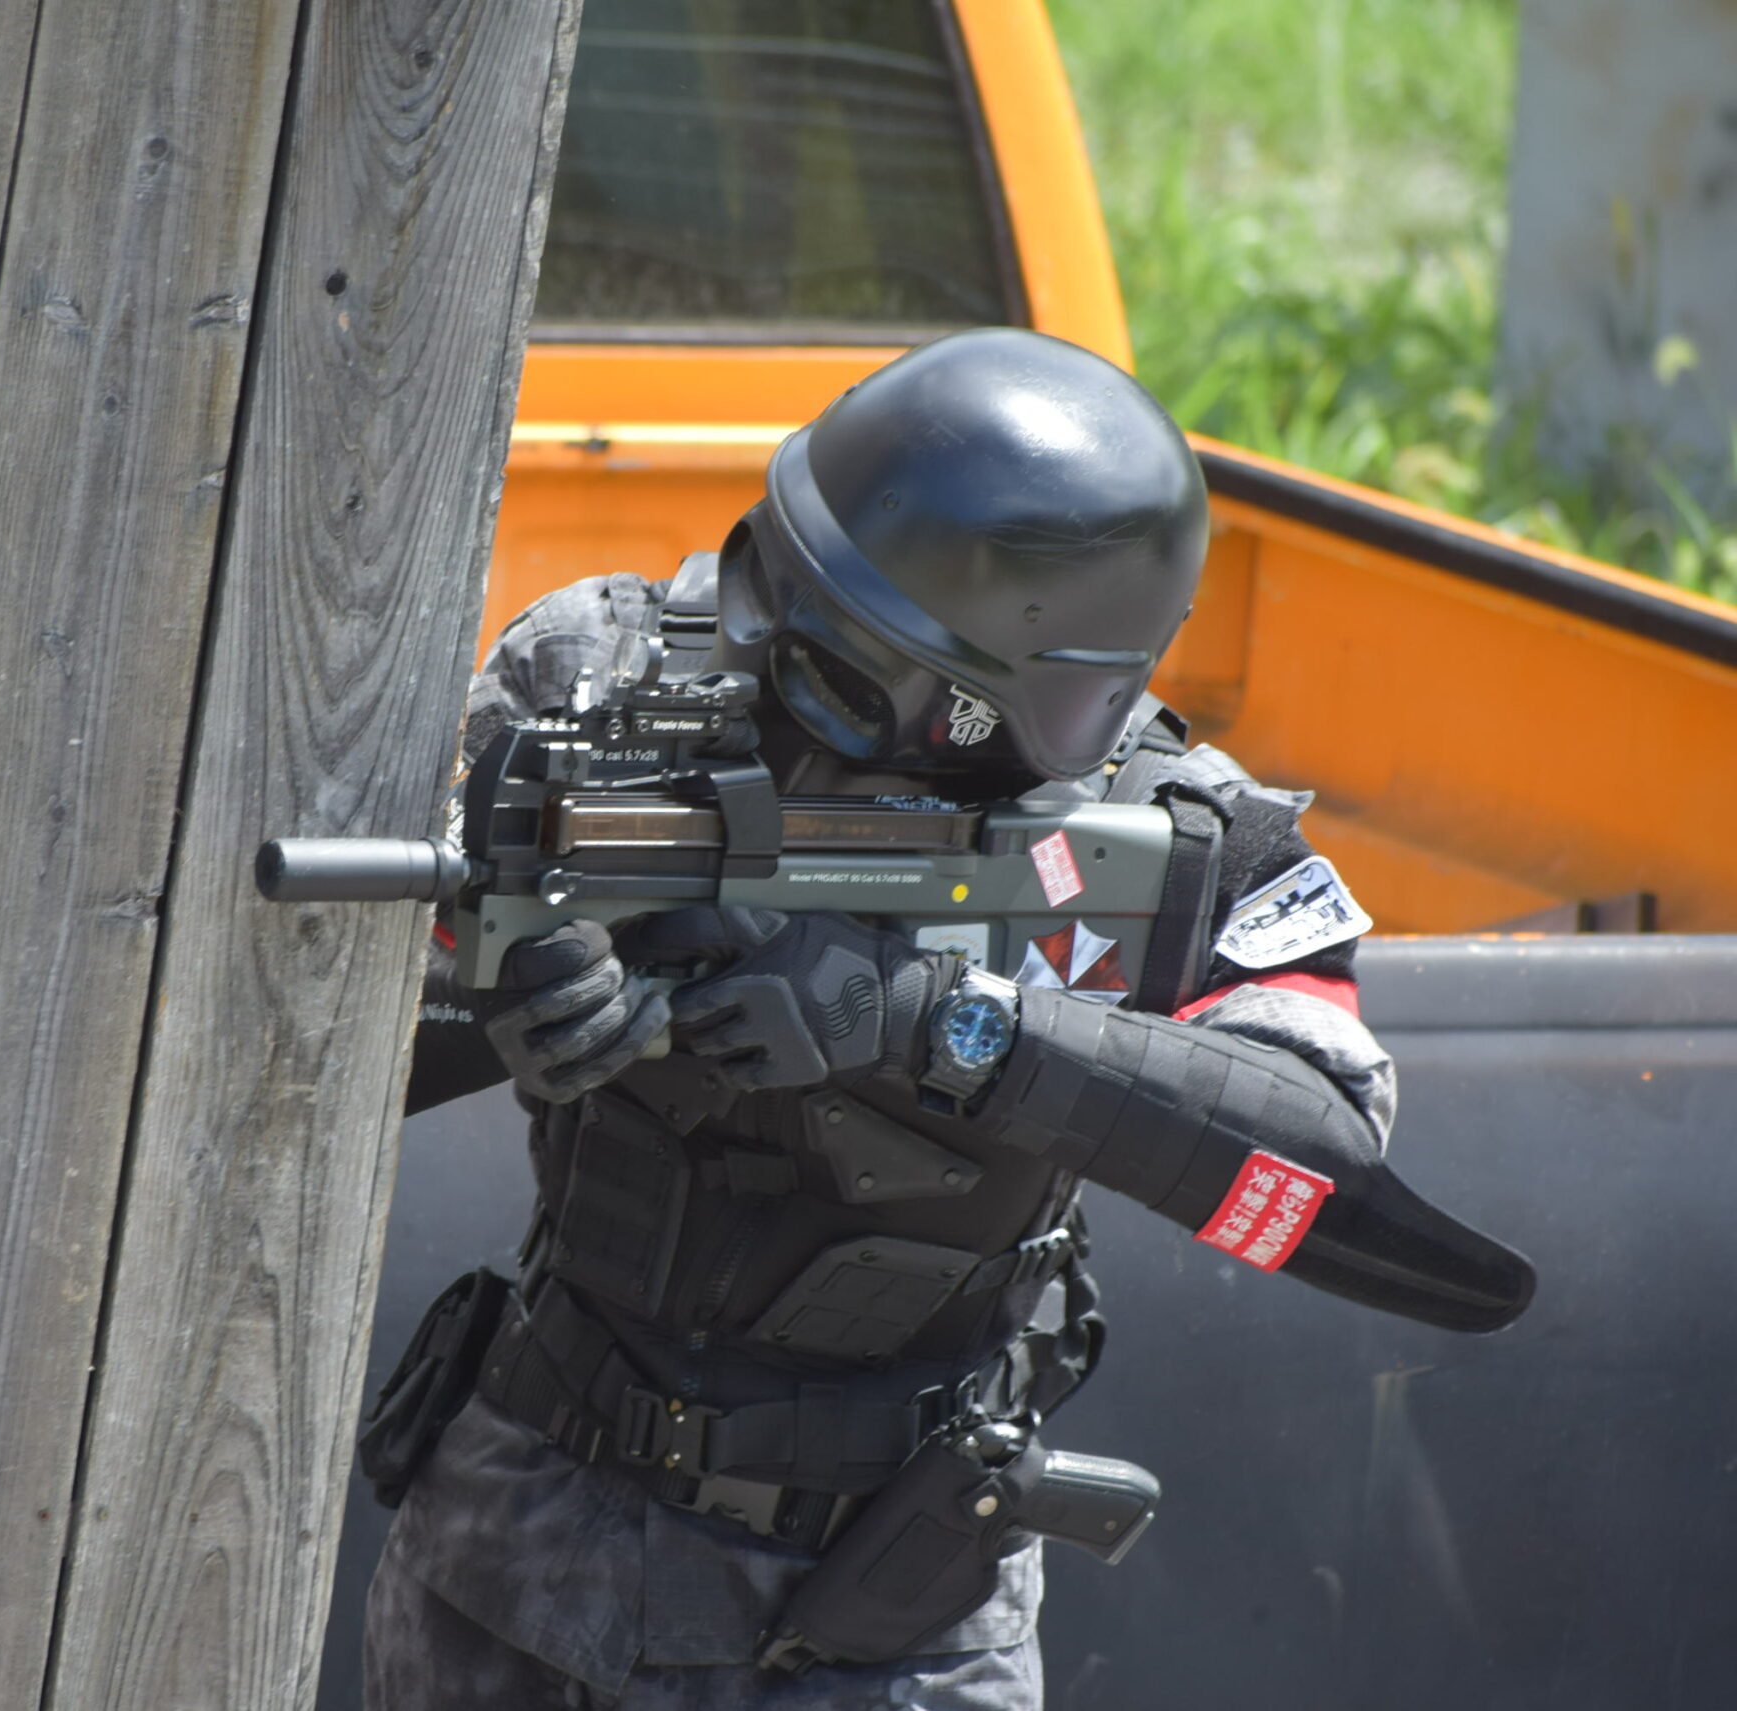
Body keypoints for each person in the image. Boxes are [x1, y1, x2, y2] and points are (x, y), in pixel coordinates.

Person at [363, 328, 1531, 1710]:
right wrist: (502, 985)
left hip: (890, 1607)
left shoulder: (1182, 844)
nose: (782, 680)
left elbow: (1318, 1170)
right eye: (782, 599)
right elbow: (327, 999)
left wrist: (937, 1026)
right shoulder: (600, 684)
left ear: (1031, 701)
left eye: (852, 674)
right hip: (526, 1547)